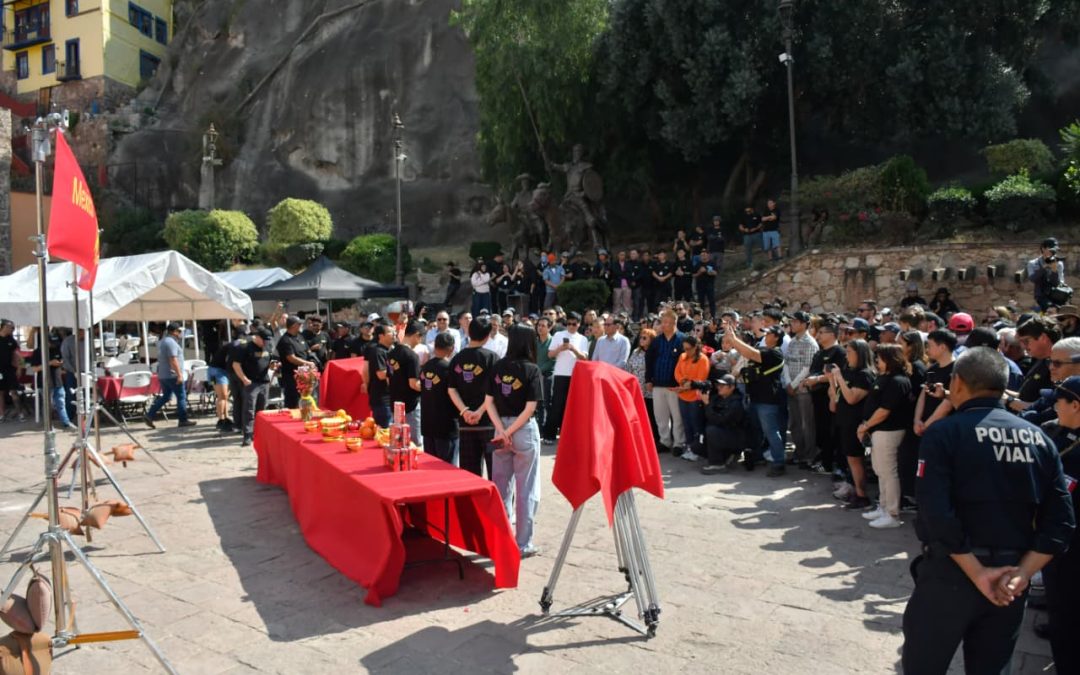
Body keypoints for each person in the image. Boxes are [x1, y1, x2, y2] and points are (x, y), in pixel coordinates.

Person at [902, 347, 1075, 674]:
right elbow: (1061, 523)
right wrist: (1021, 574)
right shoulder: (1039, 438)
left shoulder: (945, 432)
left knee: (924, 664)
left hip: (951, 576)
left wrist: (979, 573)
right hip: (1009, 581)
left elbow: (935, 512)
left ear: (958, 382)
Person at [484, 324, 544, 558]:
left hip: (500, 428)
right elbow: (530, 408)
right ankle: (522, 543)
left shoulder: (498, 366)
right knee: (526, 487)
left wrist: (501, 430)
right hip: (523, 431)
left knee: (500, 487)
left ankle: (498, 539)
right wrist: (511, 431)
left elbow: (488, 402)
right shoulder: (532, 369)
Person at [1041, 375, 1080, 673]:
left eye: (1059, 399)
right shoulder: (1054, 431)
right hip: (1057, 539)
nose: (1054, 404)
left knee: (1068, 609)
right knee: (1059, 608)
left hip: (1073, 546)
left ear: (1076, 405)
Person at [856, 344, 912, 529]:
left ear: (889, 359)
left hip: (889, 431)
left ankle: (892, 513)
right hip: (878, 431)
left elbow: (884, 410)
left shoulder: (898, 381)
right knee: (881, 471)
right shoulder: (885, 377)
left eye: (879, 358)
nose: (877, 361)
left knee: (888, 472)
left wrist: (865, 426)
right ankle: (883, 506)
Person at [725, 323, 787, 476]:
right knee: (755, 430)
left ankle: (779, 462)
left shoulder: (775, 354)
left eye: (769, 333)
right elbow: (747, 352)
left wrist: (733, 339)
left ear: (776, 337)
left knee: (771, 431)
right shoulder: (763, 350)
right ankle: (757, 456)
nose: (765, 335)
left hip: (768, 399)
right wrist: (733, 341)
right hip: (754, 397)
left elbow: (752, 354)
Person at [448, 315, 499, 478]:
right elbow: (495, 391)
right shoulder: (492, 358)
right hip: (489, 425)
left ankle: (470, 504)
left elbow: (451, 390)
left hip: (465, 425)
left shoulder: (456, 359)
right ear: (487, 335)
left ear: (469, 333)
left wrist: (465, 411)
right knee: (496, 472)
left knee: (470, 474)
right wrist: (480, 412)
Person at [830, 339, 876, 507]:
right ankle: (856, 490)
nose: (846, 355)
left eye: (850, 352)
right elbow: (835, 399)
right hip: (843, 421)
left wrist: (839, 377)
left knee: (856, 460)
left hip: (856, 424)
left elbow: (851, 398)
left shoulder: (865, 374)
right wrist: (831, 379)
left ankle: (862, 496)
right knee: (850, 459)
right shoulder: (848, 372)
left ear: (860, 354)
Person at [801, 323, 846, 474]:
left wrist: (818, 379)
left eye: (821, 332)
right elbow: (814, 371)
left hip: (832, 398)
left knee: (831, 431)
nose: (818, 335)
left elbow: (838, 375)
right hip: (817, 396)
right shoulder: (819, 353)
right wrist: (809, 380)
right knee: (820, 430)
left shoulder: (840, 352)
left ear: (832, 334)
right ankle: (823, 458)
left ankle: (830, 464)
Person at [542, 312, 589, 443]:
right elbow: (550, 354)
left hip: (576, 375)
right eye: (569, 323)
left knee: (573, 406)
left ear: (579, 324)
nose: (571, 326)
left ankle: (567, 434)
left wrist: (573, 349)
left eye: (574, 324)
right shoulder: (558, 335)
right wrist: (561, 349)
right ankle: (549, 435)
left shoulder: (582, 339)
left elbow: (585, 357)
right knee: (557, 404)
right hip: (561, 374)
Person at [645, 310, 686, 455]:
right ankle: (664, 441)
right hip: (658, 383)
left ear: (674, 323)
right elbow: (649, 361)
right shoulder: (656, 341)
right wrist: (648, 380)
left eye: (668, 322)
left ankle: (679, 443)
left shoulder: (682, 339)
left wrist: (683, 383)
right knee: (660, 416)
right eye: (663, 322)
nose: (665, 325)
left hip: (675, 385)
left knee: (677, 416)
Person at [144, 322, 196, 428]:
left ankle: (150, 414)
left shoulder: (164, 341)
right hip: (172, 374)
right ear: (175, 332)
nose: (181, 333)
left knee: (166, 396)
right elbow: (173, 359)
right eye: (179, 331)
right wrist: (179, 374)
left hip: (164, 374)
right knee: (181, 396)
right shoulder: (170, 342)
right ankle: (183, 419)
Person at [785, 311, 819, 469]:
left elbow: (807, 368)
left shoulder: (810, 343)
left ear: (805, 324)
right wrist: (788, 382)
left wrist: (794, 384)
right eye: (792, 321)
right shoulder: (792, 342)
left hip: (803, 389)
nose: (792, 324)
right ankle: (799, 453)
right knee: (795, 424)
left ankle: (809, 456)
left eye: (796, 321)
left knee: (807, 424)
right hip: (791, 387)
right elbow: (786, 363)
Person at [420, 332, 459, 465]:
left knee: (430, 467)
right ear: (451, 349)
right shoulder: (449, 369)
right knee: (447, 469)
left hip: (428, 424)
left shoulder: (425, 367)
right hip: (446, 427)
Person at [233, 328, 277, 447]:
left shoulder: (267, 347)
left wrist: (273, 365)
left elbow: (269, 361)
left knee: (262, 410)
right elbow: (236, 364)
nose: (266, 343)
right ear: (257, 337)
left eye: (268, 340)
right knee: (249, 410)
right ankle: (247, 435)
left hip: (264, 382)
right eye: (264, 340)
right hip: (251, 383)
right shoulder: (245, 347)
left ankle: (259, 433)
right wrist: (244, 379)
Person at [700, 374, 748, 474]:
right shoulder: (717, 398)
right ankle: (727, 456)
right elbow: (707, 417)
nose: (719, 387)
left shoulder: (736, 403)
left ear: (732, 387)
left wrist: (707, 405)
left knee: (712, 431)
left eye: (723, 385)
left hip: (736, 437)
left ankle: (718, 464)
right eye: (718, 385)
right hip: (724, 432)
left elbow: (720, 421)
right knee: (696, 445)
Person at [674, 335, 710, 461]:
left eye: (688, 349)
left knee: (696, 424)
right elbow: (677, 372)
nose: (686, 351)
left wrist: (686, 385)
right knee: (686, 424)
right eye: (684, 349)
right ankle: (689, 447)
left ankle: (697, 450)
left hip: (695, 397)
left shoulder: (703, 359)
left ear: (696, 347)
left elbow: (701, 379)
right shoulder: (682, 357)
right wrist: (683, 381)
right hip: (683, 395)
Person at [29, 328, 74, 430]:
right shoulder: (38, 352)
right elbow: (35, 369)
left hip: (58, 381)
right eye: (51, 343)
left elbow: (61, 360)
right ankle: (48, 425)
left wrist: (61, 363)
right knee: (47, 405)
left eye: (55, 342)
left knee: (61, 403)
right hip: (45, 382)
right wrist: (49, 363)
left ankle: (66, 422)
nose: (54, 345)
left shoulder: (57, 349)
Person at [390, 321, 423, 444]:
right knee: (414, 443)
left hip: (395, 403)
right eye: (420, 338)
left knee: (399, 442)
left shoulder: (391, 353)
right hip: (411, 405)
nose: (420, 342)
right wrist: (429, 388)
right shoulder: (412, 356)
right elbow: (414, 384)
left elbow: (389, 378)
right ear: (416, 335)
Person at [625, 328, 660, 445]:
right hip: (637, 390)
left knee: (651, 416)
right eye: (641, 337)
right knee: (638, 416)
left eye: (645, 338)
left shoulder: (655, 353)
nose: (641, 339)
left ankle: (654, 440)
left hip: (649, 391)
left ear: (652, 340)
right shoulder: (636, 352)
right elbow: (628, 368)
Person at [364, 324, 395, 427]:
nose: (394, 334)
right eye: (391, 332)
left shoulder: (391, 350)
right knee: (385, 432)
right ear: (381, 336)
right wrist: (400, 372)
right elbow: (381, 374)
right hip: (382, 400)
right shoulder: (378, 352)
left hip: (391, 398)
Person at [1026, 237, 1069, 311]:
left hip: (1056, 296)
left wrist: (1054, 271)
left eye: (1055, 250)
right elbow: (1033, 279)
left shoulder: (1059, 264)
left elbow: (1057, 283)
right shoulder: (1033, 263)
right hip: (1041, 296)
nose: (1053, 252)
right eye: (1051, 250)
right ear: (1043, 248)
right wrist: (1044, 267)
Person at [207, 332, 235, 432]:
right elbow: (229, 363)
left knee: (225, 397)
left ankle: (226, 418)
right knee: (222, 396)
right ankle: (221, 420)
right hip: (217, 370)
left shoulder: (233, 346)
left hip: (219, 370)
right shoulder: (233, 347)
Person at [534, 317, 555, 432]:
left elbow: (553, 361)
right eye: (539, 325)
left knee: (547, 402)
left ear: (550, 327)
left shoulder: (553, 342)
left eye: (543, 326)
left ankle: (547, 429)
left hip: (548, 376)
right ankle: (540, 428)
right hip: (536, 376)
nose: (540, 328)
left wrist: (538, 370)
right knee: (538, 403)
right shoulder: (535, 342)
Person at [0, 320, 22, 422]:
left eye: (12, 327)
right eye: (9, 327)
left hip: (10, 369)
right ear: (3, 327)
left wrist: (18, 367)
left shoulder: (11, 340)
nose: (11, 329)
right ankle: (2, 414)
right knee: (0, 392)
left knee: (14, 390)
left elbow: (17, 354)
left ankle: (20, 413)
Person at [694, 250, 718, 318]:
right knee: (701, 302)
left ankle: (713, 316)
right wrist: (699, 272)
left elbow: (715, 273)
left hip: (709, 285)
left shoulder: (712, 263)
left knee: (712, 301)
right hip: (700, 286)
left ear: (708, 255)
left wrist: (707, 271)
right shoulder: (697, 264)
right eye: (702, 255)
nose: (703, 256)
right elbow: (693, 275)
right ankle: (702, 317)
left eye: (705, 255)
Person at [611, 250, 634, 316]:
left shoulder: (628, 264)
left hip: (627, 285)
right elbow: (615, 273)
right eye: (621, 255)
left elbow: (629, 274)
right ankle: (615, 316)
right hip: (617, 285)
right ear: (618, 256)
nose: (622, 256)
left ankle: (628, 316)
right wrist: (623, 273)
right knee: (616, 302)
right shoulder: (614, 264)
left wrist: (621, 274)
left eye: (623, 255)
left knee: (627, 303)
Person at [739, 205, 762, 269]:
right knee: (748, 250)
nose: (748, 212)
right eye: (746, 211)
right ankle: (749, 264)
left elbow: (760, 223)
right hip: (747, 235)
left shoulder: (756, 215)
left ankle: (762, 262)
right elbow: (740, 226)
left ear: (752, 209)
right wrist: (744, 229)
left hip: (756, 234)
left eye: (749, 210)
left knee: (761, 247)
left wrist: (755, 228)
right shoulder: (743, 216)